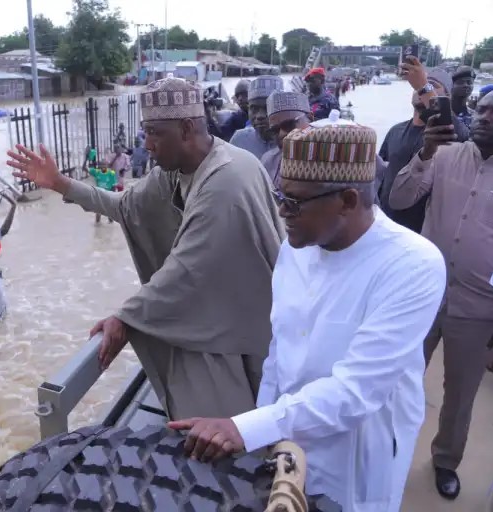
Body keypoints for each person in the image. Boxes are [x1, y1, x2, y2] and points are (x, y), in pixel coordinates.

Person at [170, 121, 447, 512]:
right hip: (286, 436)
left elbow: (356, 392)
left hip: (358, 450)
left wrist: (246, 428)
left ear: (348, 200)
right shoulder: (295, 247)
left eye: (295, 202)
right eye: (280, 195)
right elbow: (280, 351)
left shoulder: (412, 265)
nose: (282, 211)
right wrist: (262, 432)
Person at [7, 77, 284, 420]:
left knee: (244, 422)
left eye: (155, 133)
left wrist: (126, 317)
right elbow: (127, 207)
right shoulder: (176, 170)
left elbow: (185, 270)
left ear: (185, 129)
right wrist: (60, 183)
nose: (147, 145)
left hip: (250, 322)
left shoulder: (225, 181)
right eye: (146, 132)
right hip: (223, 306)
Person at [388, 91, 493, 501]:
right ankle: (390, 446)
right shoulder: (445, 155)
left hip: (478, 307)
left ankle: (446, 460)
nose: (484, 118)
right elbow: (399, 199)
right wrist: (425, 153)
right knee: (401, 379)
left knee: (460, 394)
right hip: (425, 297)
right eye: (481, 110)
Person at [378, 67, 469, 233]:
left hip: (424, 228)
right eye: (419, 86)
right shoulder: (395, 130)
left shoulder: (448, 132)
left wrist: (423, 86)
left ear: (446, 97)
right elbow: (381, 174)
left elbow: (457, 131)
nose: (420, 90)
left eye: (432, 85)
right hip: (387, 222)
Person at [260, 90, 312, 188]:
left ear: (310, 118)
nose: (281, 134)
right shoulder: (268, 161)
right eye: (275, 130)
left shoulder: (330, 159)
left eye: (288, 125)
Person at [229, 76, 283, 159]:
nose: (260, 116)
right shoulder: (239, 140)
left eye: (267, 107)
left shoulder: (292, 142)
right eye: (254, 108)